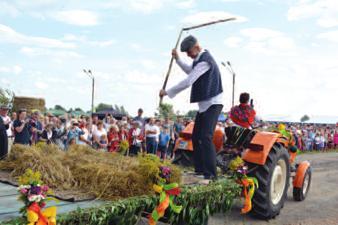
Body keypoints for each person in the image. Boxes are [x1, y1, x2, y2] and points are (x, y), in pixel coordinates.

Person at [159, 35, 223, 182]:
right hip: (204, 105)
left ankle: (211, 175)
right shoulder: (198, 60)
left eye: (188, 52)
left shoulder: (205, 61)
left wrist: (167, 92)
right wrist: (177, 59)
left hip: (213, 104)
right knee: (196, 137)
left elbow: (189, 81)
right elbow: (190, 70)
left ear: (196, 47)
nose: (188, 55)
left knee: (206, 137)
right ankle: (200, 170)